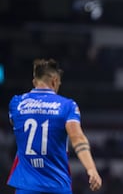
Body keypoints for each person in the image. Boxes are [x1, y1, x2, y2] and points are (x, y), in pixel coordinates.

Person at [7, 58, 102, 194]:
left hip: (26, 187)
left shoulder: (16, 103)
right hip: (57, 186)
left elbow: (16, 124)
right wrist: (91, 169)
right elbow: (78, 138)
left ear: (34, 82)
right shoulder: (67, 106)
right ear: (54, 81)